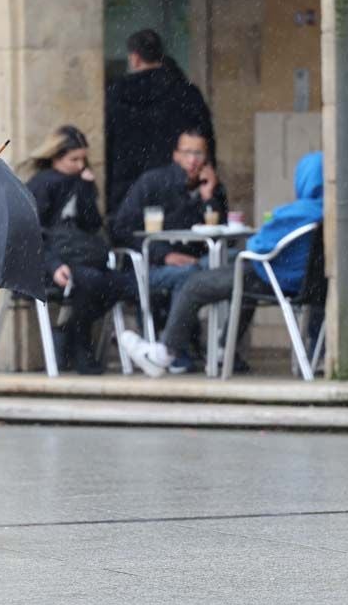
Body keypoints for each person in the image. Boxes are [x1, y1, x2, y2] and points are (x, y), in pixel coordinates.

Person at [119, 151, 324, 377]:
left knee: (195, 284)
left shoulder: (295, 213)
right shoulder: (328, 212)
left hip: (272, 280)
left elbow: (256, 246)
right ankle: (224, 349)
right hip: (308, 286)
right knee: (234, 271)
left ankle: (163, 354)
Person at [110, 126, 227, 372]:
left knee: (237, 270)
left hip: (197, 263)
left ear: (207, 157)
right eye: (187, 153)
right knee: (189, 276)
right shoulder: (154, 182)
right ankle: (174, 349)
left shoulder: (212, 187)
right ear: (176, 155)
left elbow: (223, 232)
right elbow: (121, 227)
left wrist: (208, 198)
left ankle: (222, 348)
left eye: (199, 153)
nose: (193, 160)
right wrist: (164, 255)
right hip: (148, 267)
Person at [25, 125, 137, 375]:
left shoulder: (79, 181)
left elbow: (91, 223)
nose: (79, 165)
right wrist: (52, 265)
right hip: (49, 262)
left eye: (83, 159)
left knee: (124, 284)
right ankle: (80, 344)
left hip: (81, 258)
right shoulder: (43, 185)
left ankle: (72, 331)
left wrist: (87, 190)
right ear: (56, 158)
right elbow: (31, 234)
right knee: (91, 282)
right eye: (73, 159)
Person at [105, 28, 215, 214]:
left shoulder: (116, 93)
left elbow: (107, 140)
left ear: (134, 58)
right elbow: (206, 139)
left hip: (127, 186)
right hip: (176, 185)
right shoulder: (186, 92)